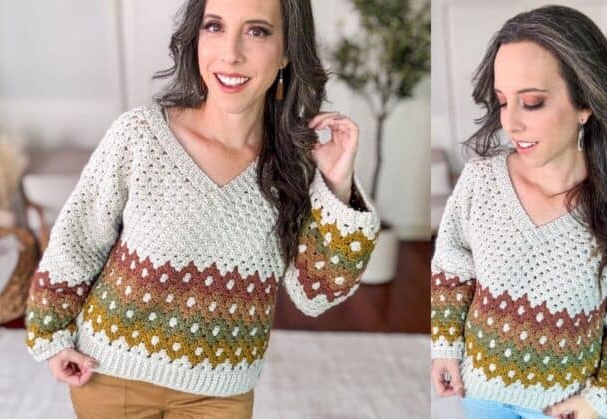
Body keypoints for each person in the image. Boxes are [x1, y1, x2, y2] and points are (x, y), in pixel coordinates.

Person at [24, 0, 380, 417]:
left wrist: (336, 183)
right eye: (214, 26)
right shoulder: (139, 136)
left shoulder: (296, 166)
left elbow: (314, 293)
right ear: (196, 37)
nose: (230, 53)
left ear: (286, 50)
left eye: (257, 31)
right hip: (110, 373)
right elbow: (77, 241)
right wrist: (52, 335)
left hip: (222, 393)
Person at [430, 5, 607, 419]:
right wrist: (445, 347)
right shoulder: (480, 181)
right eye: (503, 101)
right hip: (482, 392)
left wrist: (598, 399)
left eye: (532, 103)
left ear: (585, 105)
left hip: (566, 407)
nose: (511, 123)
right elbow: (453, 266)